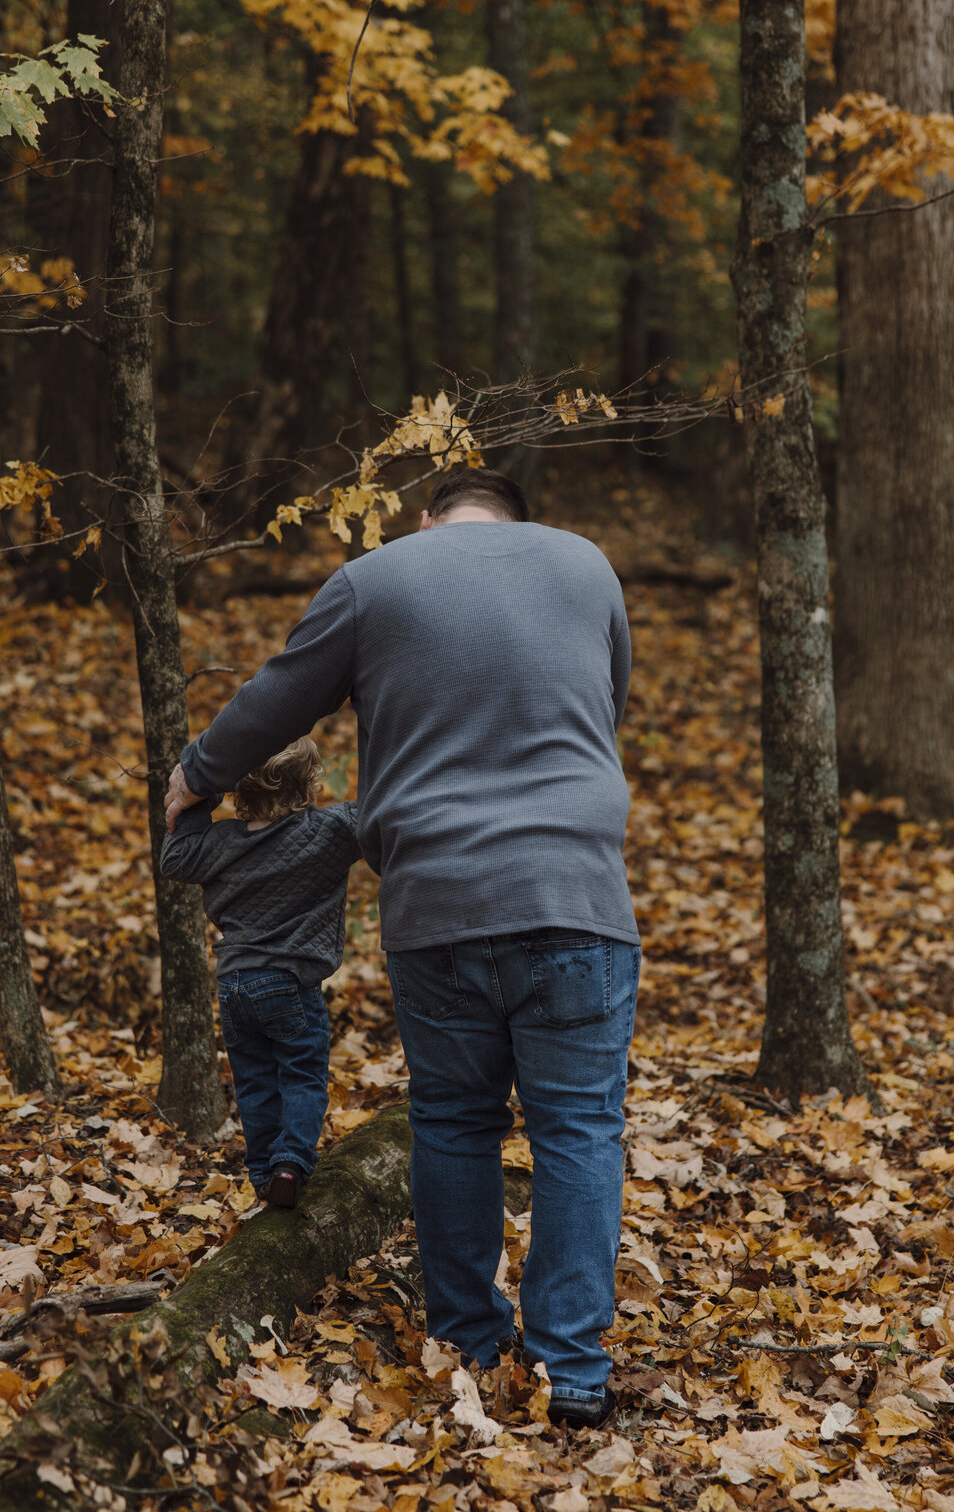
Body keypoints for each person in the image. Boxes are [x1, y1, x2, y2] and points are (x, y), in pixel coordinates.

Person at [164, 466, 640, 1427]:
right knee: (580, 1129)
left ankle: (466, 1337)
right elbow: (608, 704)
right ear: (519, 521)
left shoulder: (379, 575)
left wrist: (195, 772)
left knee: (457, 1121)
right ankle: (575, 1372)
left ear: (426, 521)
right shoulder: (588, 568)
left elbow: (280, 698)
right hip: (576, 896)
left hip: (440, 903)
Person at [159, 736, 359, 1208]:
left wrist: (199, 794)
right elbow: (380, 814)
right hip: (290, 983)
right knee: (303, 1074)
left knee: (253, 1081)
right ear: (312, 782)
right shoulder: (329, 830)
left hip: (234, 985)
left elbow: (174, 857)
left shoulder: (220, 841)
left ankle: (264, 1173)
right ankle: (291, 1160)